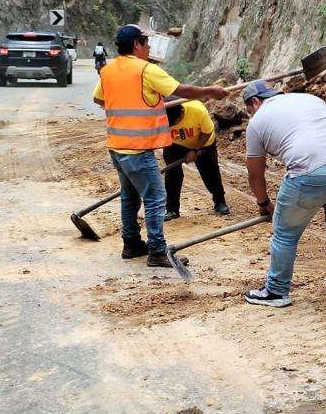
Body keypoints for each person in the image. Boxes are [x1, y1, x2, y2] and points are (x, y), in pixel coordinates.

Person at [92, 24, 230, 267]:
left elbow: (99, 99)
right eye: (146, 43)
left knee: (129, 196)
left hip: (116, 146)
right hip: (137, 148)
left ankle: (131, 243)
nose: (149, 47)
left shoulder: (109, 70)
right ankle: (156, 251)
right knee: (155, 198)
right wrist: (210, 91)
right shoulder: (146, 70)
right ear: (137, 44)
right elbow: (181, 90)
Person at [240, 80, 326, 308]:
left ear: (255, 102)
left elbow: (255, 174)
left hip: (311, 171)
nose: (250, 115)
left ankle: (277, 291)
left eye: (249, 111)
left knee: (285, 234)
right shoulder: (309, 98)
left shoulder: (257, 122)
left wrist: (264, 203)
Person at [162, 99, 230, 219]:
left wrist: (196, 150)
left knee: (210, 171)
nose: (172, 126)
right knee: (172, 173)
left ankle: (220, 201)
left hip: (203, 142)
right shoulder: (159, 116)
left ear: (181, 113)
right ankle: (172, 209)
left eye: (174, 123)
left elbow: (207, 132)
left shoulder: (197, 110)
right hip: (174, 144)